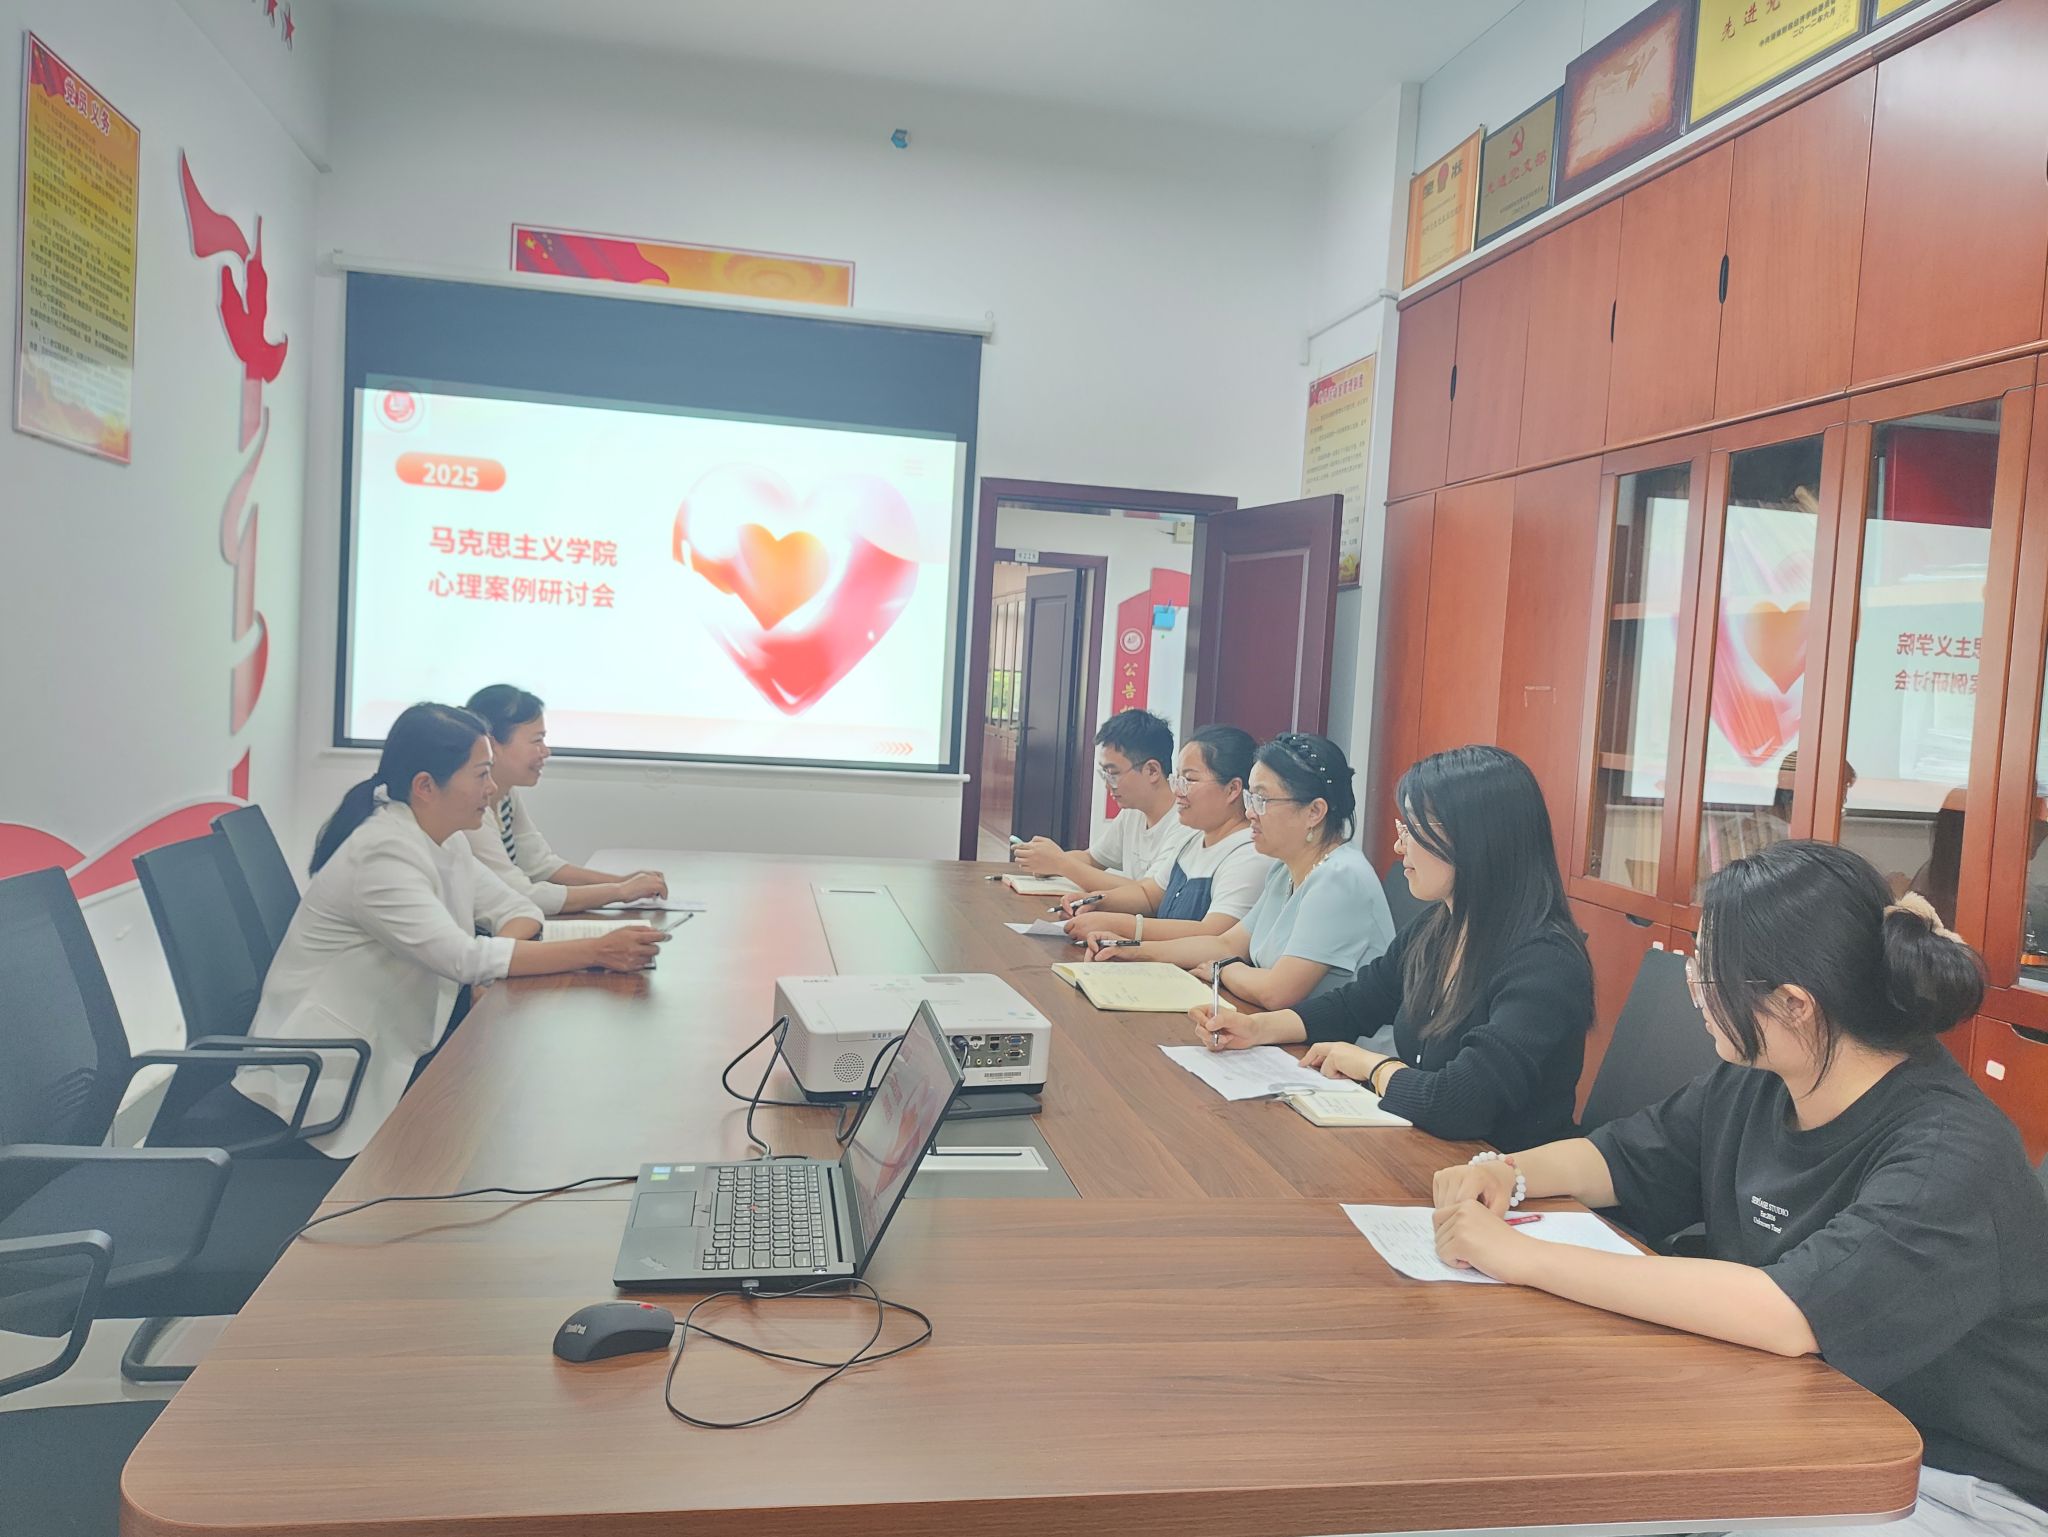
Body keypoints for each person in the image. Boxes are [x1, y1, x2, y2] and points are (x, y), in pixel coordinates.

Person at [1430, 841, 2048, 1537]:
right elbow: (1623, 1156)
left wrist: (1519, 1256)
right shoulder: (1765, 1077)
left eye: (1709, 972)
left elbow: (1788, 1312)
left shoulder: (1950, 1154)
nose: (1695, 987)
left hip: (1948, 1486)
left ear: (1794, 1004)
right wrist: (1507, 1171)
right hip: (1797, 1419)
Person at [226, 703, 670, 1159]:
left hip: (395, 1047)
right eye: (481, 775)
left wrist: (493, 966)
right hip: (326, 1078)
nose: (492, 789)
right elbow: (463, 958)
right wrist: (596, 950)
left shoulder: (446, 837)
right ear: (425, 786)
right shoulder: (381, 854)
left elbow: (517, 908)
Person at [1190, 744, 1591, 1151]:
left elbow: (1460, 1101)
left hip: (1503, 1171)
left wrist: (1374, 1067)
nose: (1400, 848)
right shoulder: (1439, 927)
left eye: (1413, 831)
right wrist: (1258, 1029)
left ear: (1475, 839)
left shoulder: (1545, 963)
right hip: (1425, 1147)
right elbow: (1357, 1004)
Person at [1081, 733, 1394, 1010]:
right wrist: (1134, 951)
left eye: (1262, 800)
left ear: (1314, 811)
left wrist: (1224, 969)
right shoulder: (1285, 870)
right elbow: (1226, 944)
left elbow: (1276, 992)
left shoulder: (1340, 878)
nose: (1249, 812)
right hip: (1284, 1035)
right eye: (1250, 797)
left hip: (1339, 1052)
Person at [461, 684, 671, 915]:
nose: (545, 752)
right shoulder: (470, 809)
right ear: (492, 745)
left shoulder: (506, 795)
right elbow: (520, 894)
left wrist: (622, 881)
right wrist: (619, 891)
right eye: (537, 741)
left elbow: (541, 866)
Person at [1062, 725, 1273, 943]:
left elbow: (1214, 933)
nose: (1177, 791)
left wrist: (1121, 926)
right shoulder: (1192, 838)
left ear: (1233, 789)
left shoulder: (1250, 853)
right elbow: (1149, 895)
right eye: (1177, 780)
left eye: (1189, 780)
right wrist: (1096, 901)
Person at [1009, 709, 1180, 892]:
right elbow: (1092, 859)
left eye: (1113, 773)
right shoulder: (1133, 812)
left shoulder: (1183, 824)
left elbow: (1145, 894)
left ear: (1152, 771)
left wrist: (1061, 864)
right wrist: (1048, 861)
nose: (1107, 785)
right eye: (1104, 774)